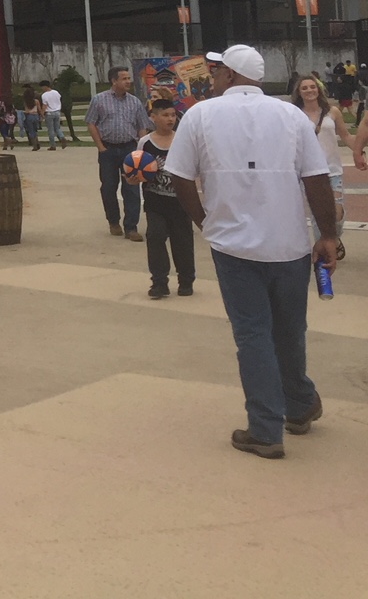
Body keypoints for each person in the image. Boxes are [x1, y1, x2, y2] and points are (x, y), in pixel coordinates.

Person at [165, 45, 341, 459]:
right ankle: (298, 405)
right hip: (289, 244)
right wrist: (327, 235)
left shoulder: (201, 115)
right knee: (289, 329)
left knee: (253, 334)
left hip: (233, 245)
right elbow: (316, 179)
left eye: (216, 70)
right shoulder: (291, 116)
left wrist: (205, 222)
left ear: (229, 74)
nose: (212, 76)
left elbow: (179, 177)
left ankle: (265, 428)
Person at [136, 98, 194, 299]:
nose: (170, 119)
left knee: (183, 241)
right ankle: (159, 283)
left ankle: (186, 280)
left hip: (180, 202)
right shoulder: (145, 142)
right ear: (153, 117)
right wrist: (134, 177)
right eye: (165, 115)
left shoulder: (182, 140)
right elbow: (134, 171)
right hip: (155, 201)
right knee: (155, 237)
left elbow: (193, 169)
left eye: (172, 115)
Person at [86, 66, 150, 240]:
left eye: (129, 78)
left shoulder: (135, 102)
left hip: (130, 149)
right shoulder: (99, 100)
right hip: (108, 149)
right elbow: (91, 123)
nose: (128, 81)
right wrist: (101, 147)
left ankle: (131, 227)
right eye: (124, 78)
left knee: (132, 188)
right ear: (114, 81)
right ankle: (113, 221)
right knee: (108, 187)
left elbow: (142, 126)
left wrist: (140, 151)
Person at [294, 73, 353, 259]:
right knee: (317, 211)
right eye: (304, 88)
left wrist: (359, 151)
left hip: (332, 169)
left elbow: (346, 136)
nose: (309, 91)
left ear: (318, 89)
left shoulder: (332, 112)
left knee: (337, 210)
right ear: (299, 92)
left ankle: (333, 238)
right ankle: (324, 248)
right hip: (308, 171)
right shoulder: (295, 114)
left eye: (312, 87)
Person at [39, 81, 66, 149]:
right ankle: (62, 137)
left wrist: (42, 114)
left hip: (49, 113)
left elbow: (44, 106)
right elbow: (59, 100)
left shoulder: (44, 95)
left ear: (45, 86)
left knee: (50, 129)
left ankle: (53, 145)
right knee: (57, 128)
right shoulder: (56, 92)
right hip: (57, 111)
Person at [21, 83, 43, 151]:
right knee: (35, 130)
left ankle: (35, 145)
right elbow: (39, 109)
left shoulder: (26, 102)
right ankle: (37, 142)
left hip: (29, 116)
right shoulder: (36, 101)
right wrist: (42, 116)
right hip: (36, 116)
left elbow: (27, 111)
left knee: (31, 131)